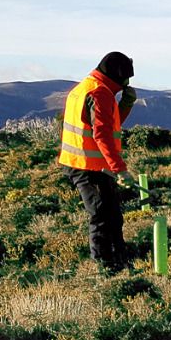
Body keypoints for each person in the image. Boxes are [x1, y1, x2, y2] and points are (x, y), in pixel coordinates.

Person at [58, 51, 138, 272]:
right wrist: (120, 170)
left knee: (110, 215)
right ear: (117, 75)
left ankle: (119, 261)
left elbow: (111, 125)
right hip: (89, 167)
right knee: (102, 216)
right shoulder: (100, 93)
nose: (126, 84)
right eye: (126, 79)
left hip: (84, 163)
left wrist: (126, 104)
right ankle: (105, 268)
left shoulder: (86, 87)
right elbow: (102, 135)